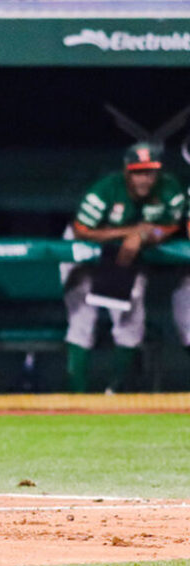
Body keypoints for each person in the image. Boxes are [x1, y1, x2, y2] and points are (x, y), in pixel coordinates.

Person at [64, 142, 182, 393]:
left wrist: (148, 236)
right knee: (82, 316)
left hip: (130, 254)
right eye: (138, 172)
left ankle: (115, 393)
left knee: (131, 317)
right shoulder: (105, 190)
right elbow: (82, 230)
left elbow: (171, 226)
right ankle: (77, 396)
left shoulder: (170, 189)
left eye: (149, 172)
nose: (144, 179)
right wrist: (132, 232)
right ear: (127, 171)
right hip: (88, 251)